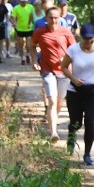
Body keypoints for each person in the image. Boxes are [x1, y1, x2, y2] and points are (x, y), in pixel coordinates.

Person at [61, 23, 94, 165]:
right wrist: (74, 79)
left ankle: (87, 154)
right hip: (75, 91)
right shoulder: (73, 50)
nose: (89, 41)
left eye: (91, 38)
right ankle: (71, 140)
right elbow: (63, 67)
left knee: (90, 121)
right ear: (81, 37)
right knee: (76, 122)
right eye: (86, 38)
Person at [33, 7, 76, 141]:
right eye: (51, 17)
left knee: (59, 101)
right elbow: (32, 45)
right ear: (46, 18)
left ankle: (52, 119)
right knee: (51, 100)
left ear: (60, 18)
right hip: (47, 70)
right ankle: (53, 133)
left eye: (56, 17)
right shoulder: (40, 32)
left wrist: (67, 60)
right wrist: (34, 60)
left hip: (64, 70)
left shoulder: (66, 32)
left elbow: (74, 50)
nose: (53, 20)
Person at [11, 0, 35, 65]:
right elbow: (13, 17)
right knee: (21, 44)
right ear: (20, 1)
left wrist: (31, 23)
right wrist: (14, 23)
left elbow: (33, 15)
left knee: (28, 44)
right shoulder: (16, 8)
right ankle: (22, 57)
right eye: (22, 1)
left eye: (25, 1)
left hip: (29, 28)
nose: (23, 2)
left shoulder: (30, 7)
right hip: (20, 29)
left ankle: (27, 54)